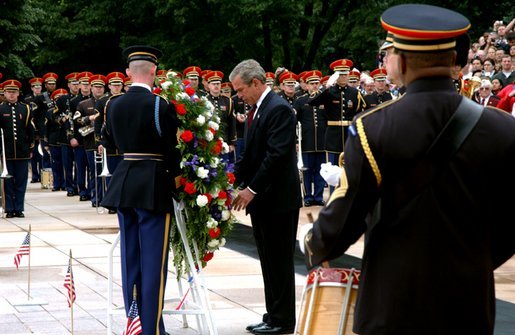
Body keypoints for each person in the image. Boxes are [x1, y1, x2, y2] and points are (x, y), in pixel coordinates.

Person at [301, 4, 515, 334]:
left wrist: (314, 243)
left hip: (394, 302)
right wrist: (475, 262)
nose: (384, 61)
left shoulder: (372, 127)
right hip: (469, 304)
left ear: (401, 60)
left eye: (388, 53)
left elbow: (344, 217)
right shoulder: (503, 128)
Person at [101, 45, 179, 335]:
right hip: (153, 186)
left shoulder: (113, 104)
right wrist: (177, 178)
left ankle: (136, 324)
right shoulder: (159, 105)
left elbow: (109, 143)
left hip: (124, 184)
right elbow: (171, 149)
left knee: (130, 259)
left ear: (127, 74)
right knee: (153, 264)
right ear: (154, 73)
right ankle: (151, 330)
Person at [230, 59, 301, 335]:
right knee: (268, 260)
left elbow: (276, 156)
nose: (238, 95)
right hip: (265, 202)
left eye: (240, 89)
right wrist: (231, 180)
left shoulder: (279, 109)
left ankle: (283, 321)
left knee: (280, 260)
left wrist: (251, 190)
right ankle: (272, 315)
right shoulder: (258, 109)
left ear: (256, 83)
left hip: (278, 200)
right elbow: (250, 155)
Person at [0, 80, 35, 218]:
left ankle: (19, 208)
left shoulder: (25, 108)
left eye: (14, 92)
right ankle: (9, 208)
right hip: (6, 152)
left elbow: (30, 130)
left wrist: (30, 147)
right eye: (9, 92)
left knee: (21, 181)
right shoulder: (0, 109)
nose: (12, 95)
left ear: (18, 93)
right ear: (4, 93)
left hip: (22, 151)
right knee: (8, 182)